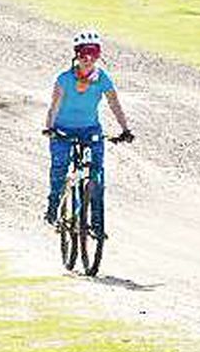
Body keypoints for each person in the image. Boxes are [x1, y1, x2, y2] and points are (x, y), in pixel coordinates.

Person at [42, 31, 133, 237]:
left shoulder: (103, 79)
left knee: (97, 176)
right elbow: (54, 106)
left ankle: (97, 224)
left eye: (93, 53)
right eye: (84, 53)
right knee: (59, 168)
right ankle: (53, 205)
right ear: (76, 54)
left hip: (90, 130)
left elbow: (114, 103)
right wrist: (50, 128)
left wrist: (125, 129)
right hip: (62, 130)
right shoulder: (64, 79)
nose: (88, 58)